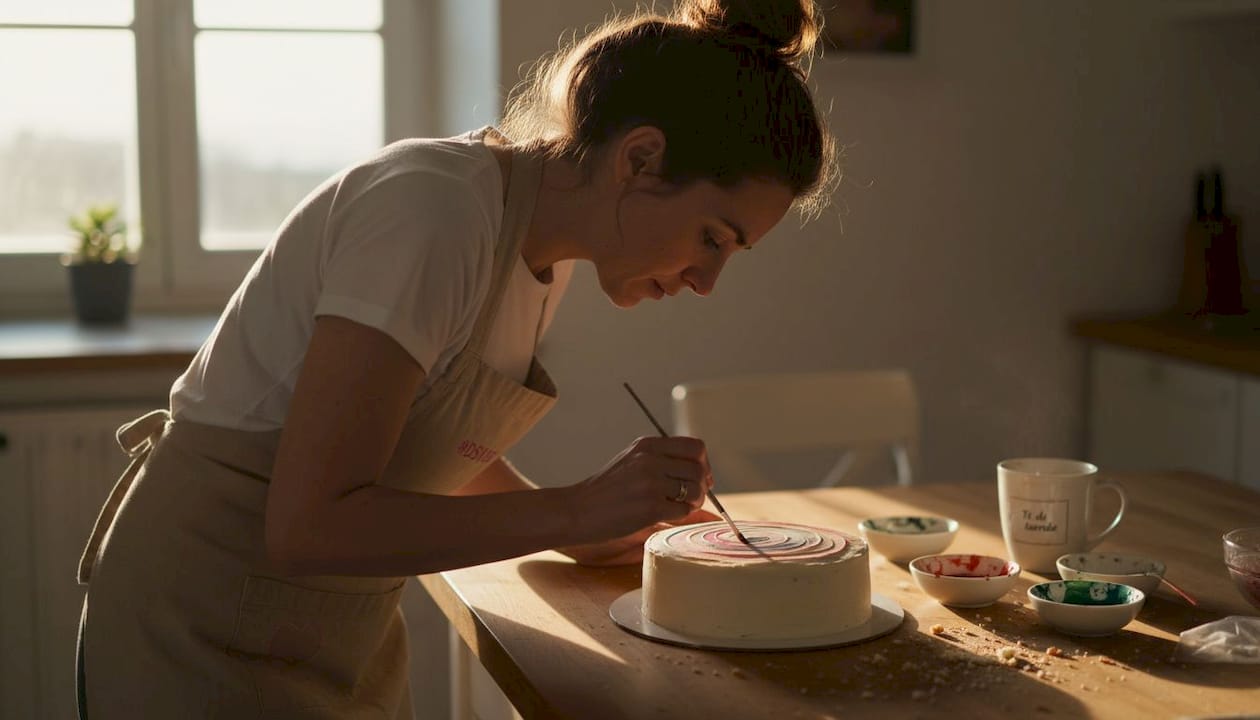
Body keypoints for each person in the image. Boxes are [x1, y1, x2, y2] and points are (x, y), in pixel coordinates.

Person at [75, 0, 838, 716]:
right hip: (201, 627)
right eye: (714, 237)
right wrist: (574, 507)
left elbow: (429, 434)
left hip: (333, 630)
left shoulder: (539, 251)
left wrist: (577, 528)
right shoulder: (433, 213)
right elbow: (307, 525)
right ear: (639, 158)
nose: (707, 283)